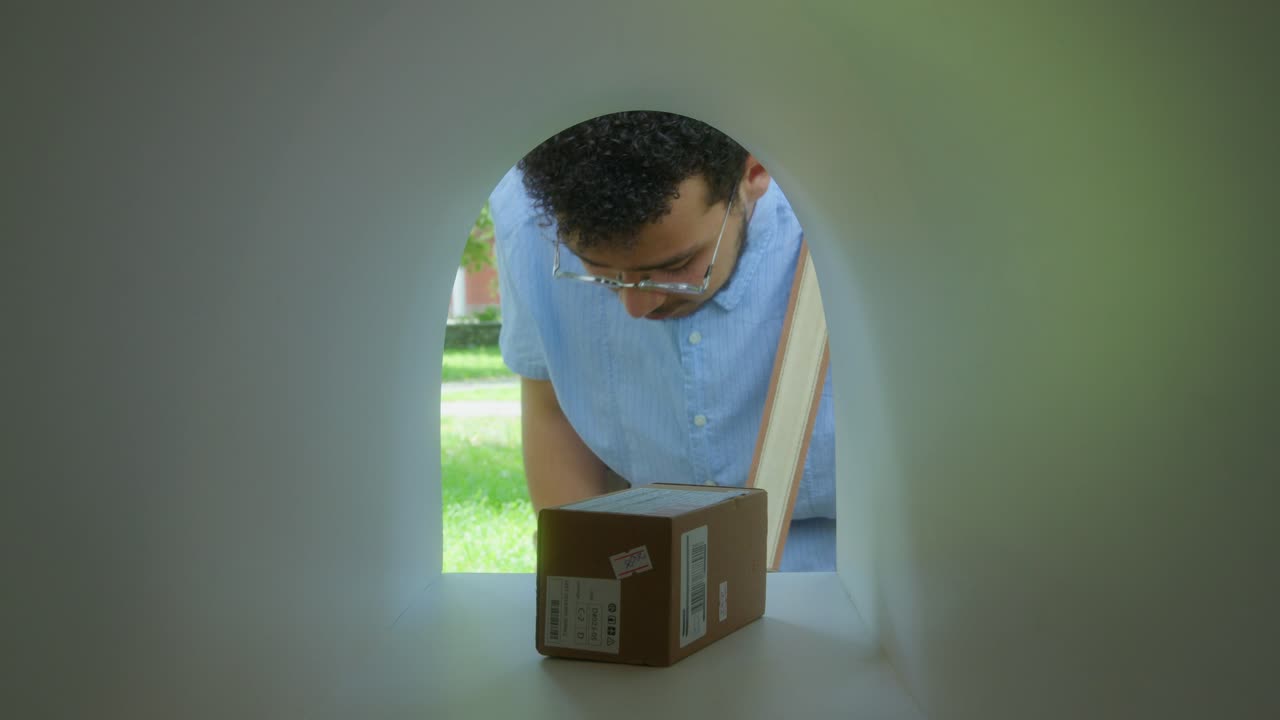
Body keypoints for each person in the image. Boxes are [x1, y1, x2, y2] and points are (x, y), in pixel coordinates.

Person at [490, 111, 835, 571]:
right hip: (648, 568)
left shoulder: (843, 215)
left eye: (677, 266)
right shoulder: (527, 219)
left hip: (849, 572)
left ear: (753, 173)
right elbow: (552, 409)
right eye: (602, 272)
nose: (638, 306)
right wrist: (587, 576)